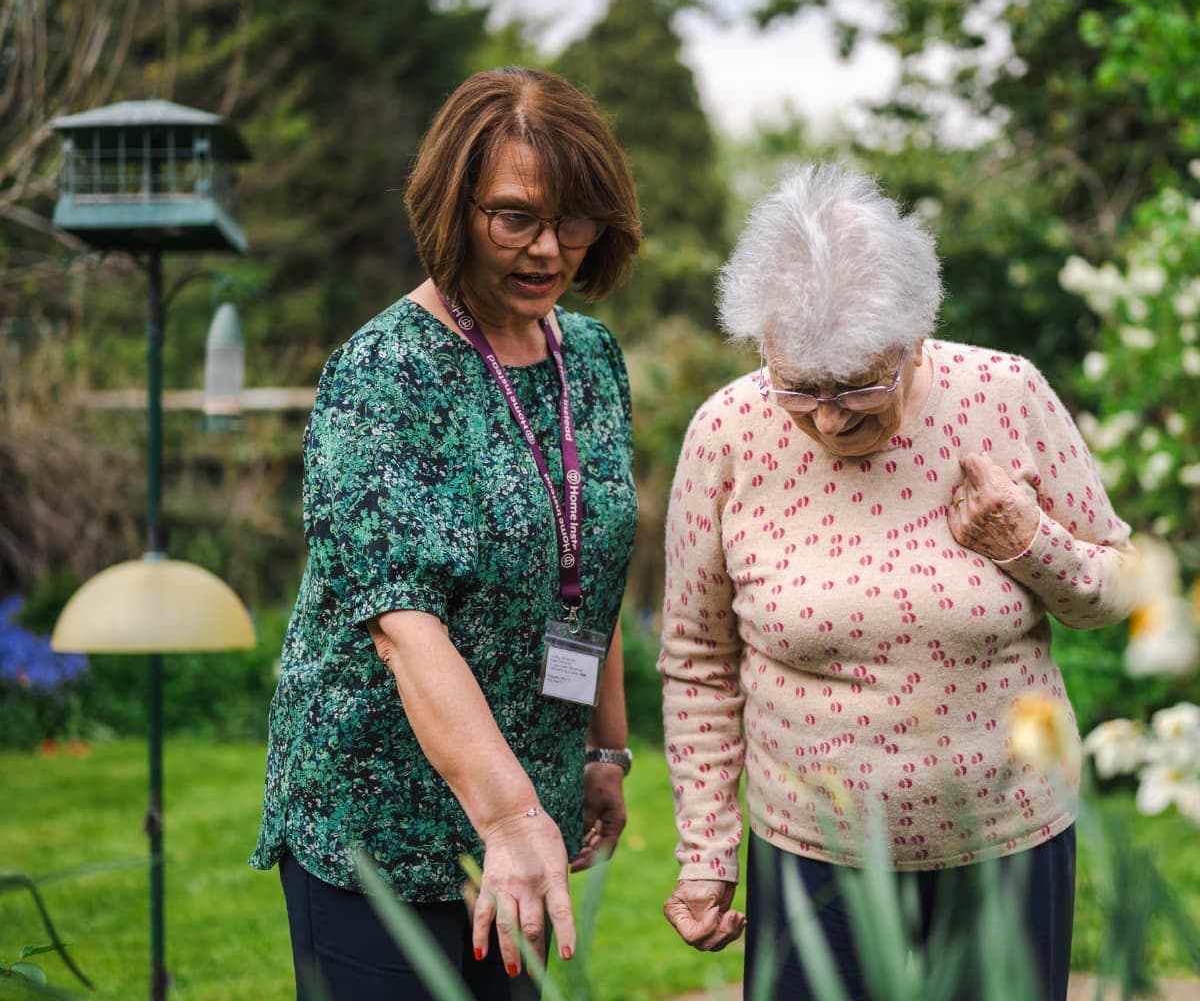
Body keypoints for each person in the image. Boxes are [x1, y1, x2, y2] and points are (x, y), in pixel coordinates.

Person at [658, 163, 1137, 1000]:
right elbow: (698, 658)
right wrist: (707, 851)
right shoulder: (727, 434)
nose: (829, 417)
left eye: (858, 386)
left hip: (1006, 844)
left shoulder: (1006, 395)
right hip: (811, 858)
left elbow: (1119, 589)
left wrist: (1029, 543)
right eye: (800, 389)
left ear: (920, 334)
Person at [251, 66, 642, 1001]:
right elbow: (402, 623)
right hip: (381, 825)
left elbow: (588, 566)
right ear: (452, 208)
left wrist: (602, 750)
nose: (548, 249)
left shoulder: (590, 359)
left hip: (529, 820)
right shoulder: (382, 373)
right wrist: (507, 816)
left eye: (575, 221)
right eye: (516, 218)